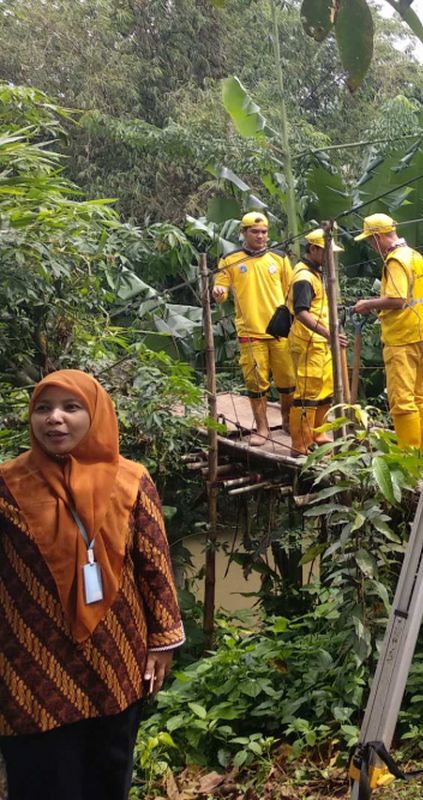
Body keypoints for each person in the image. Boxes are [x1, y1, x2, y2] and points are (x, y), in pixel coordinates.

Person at [0, 370, 184, 799]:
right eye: (43, 409)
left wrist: (162, 642)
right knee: (40, 780)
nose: (54, 419)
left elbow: (153, 563)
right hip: (31, 666)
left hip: (115, 661)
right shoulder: (8, 485)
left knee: (108, 774)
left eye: (71, 407)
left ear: (95, 413)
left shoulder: (131, 479)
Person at [351, 213, 423, 451]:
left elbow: (398, 299)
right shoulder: (414, 255)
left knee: (402, 401)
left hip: (403, 337)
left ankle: (408, 461)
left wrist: (367, 304)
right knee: (419, 397)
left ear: (378, 237)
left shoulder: (396, 260)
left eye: (370, 241)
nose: (371, 246)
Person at [212, 211, 296, 446]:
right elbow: (220, 289)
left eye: (264, 232)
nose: (260, 236)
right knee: (256, 382)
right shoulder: (231, 260)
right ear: (244, 232)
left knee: (287, 380)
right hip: (250, 330)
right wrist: (218, 292)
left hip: (280, 329)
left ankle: (288, 421)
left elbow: (291, 291)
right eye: (255, 232)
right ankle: (261, 428)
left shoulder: (279, 258)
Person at [288, 228, 348, 453]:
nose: (330, 258)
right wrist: (328, 334)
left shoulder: (316, 272)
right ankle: (300, 443)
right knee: (307, 394)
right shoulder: (304, 277)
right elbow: (301, 312)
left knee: (325, 390)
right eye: (325, 252)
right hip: (307, 342)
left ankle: (317, 432)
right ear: (313, 249)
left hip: (320, 343)